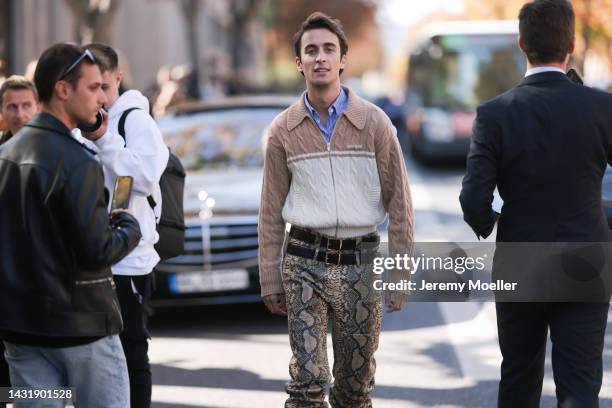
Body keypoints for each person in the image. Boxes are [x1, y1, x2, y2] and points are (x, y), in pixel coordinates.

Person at [459, 1, 612, 407]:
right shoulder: (602, 108)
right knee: (580, 386)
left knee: (519, 377)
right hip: (588, 257)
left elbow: (473, 197)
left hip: (520, 257)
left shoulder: (494, 114)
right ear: (573, 44)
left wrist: (491, 220)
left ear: (522, 43)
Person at [258, 12, 414, 408]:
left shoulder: (374, 123)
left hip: (360, 263)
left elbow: (400, 202)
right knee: (308, 383)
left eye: (329, 49)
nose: (320, 57)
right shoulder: (282, 130)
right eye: (311, 51)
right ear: (299, 63)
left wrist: (399, 272)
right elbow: (270, 211)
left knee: (354, 387)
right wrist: (269, 277)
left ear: (343, 59)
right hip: (303, 262)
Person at [0, 43, 141, 407]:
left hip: (22, 330)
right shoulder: (78, 162)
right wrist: (128, 227)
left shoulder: (6, 156)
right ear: (63, 90)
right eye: (93, 88)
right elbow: (97, 250)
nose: (102, 100)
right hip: (82, 329)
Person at [81, 43, 169, 408]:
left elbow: (143, 178)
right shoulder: (80, 121)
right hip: (89, 257)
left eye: (104, 86)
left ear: (118, 78)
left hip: (128, 258)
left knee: (132, 348)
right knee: (95, 354)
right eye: (90, 88)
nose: (99, 96)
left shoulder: (134, 119)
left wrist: (105, 140)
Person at [0, 75, 39, 145]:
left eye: (26, 106)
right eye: (12, 107)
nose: (19, 115)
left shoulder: (53, 145)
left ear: (38, 108)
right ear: (1, 111)